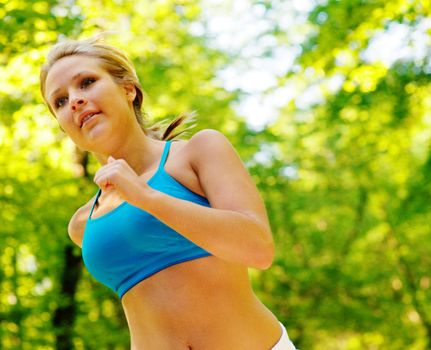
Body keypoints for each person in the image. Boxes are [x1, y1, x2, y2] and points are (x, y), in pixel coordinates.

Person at [40, 34, 296, 350]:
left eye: (87, 82)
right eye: (60, 101)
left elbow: (258, 249)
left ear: (128, 89)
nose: (75, 100)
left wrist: (146, 198)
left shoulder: (198, 152)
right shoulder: (82, 225)